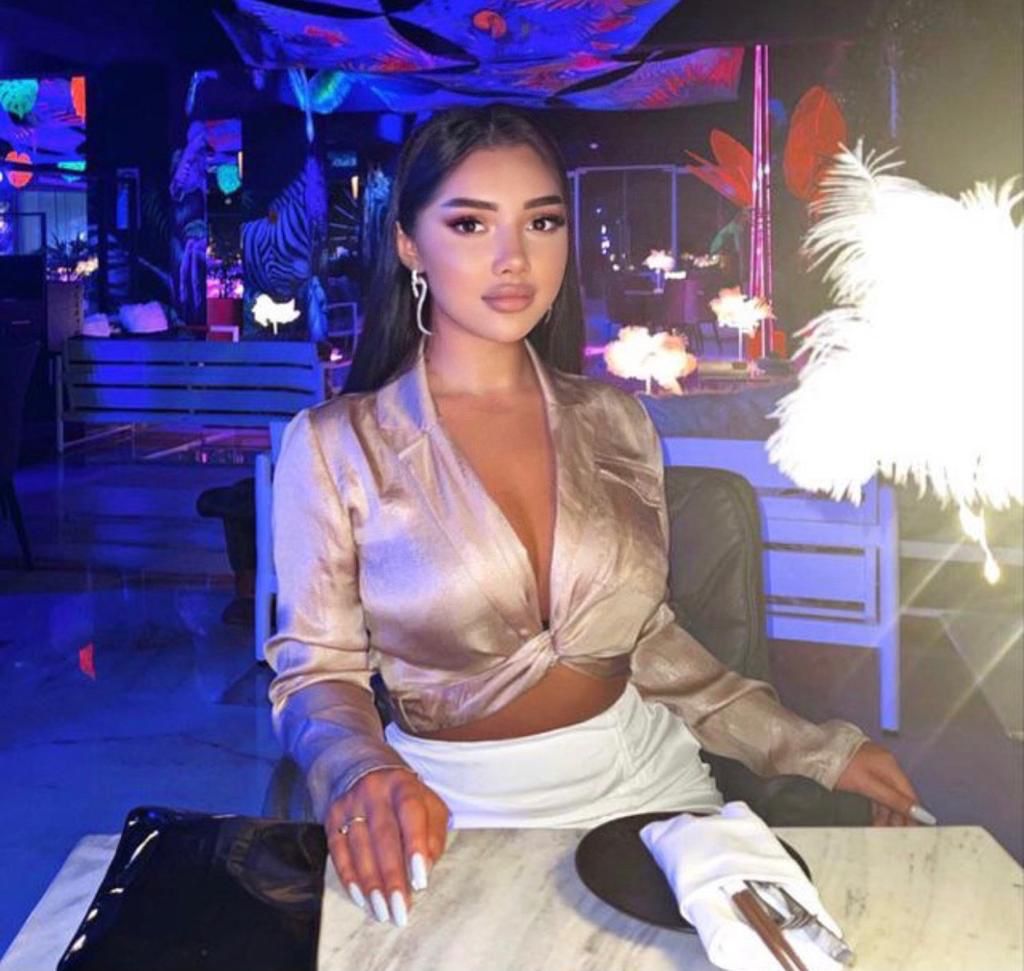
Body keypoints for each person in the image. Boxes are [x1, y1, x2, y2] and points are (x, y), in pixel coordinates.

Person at [265, 105, 920, 929]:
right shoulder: (337, 446)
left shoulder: (616, 421)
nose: (514, 257)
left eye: (542, 221)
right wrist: (359, 771)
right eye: (470, 224)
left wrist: (817, 748)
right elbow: (316, 672)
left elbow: (649, 642)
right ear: (408, 244)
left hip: (647, 788)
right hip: (443, 804)